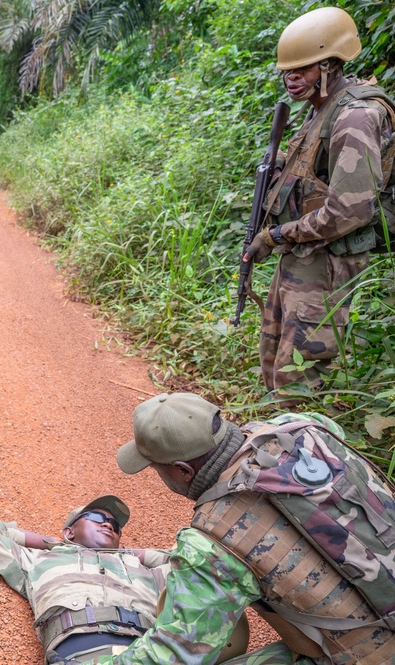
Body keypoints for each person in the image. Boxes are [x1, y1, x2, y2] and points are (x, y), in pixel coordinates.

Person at [102, 391, 395, 665]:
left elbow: (175, 653)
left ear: (182, 470)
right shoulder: (303, 427)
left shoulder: (214, 541)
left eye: (156, 468)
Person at [243, 7, 394, 393]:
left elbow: (350, 209)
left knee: (300, 376)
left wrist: (278, 234)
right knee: (273, 357)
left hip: (327, 261)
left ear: (330, 66)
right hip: (303, 252)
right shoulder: (321, 109)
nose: (291, 79)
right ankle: (274, 443)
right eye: (287, 72)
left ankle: (302, 449)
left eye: (303, 69)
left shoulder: (354, 117)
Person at [0, 496, 174, 663]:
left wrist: (132, 554)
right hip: (82, 655)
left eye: (115, 526)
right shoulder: (40, 560)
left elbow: (197, 560)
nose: (109, 525)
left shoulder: (145, 571)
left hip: (151, 653)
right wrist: (47, 542)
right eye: (98, 518)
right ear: (70, 531)